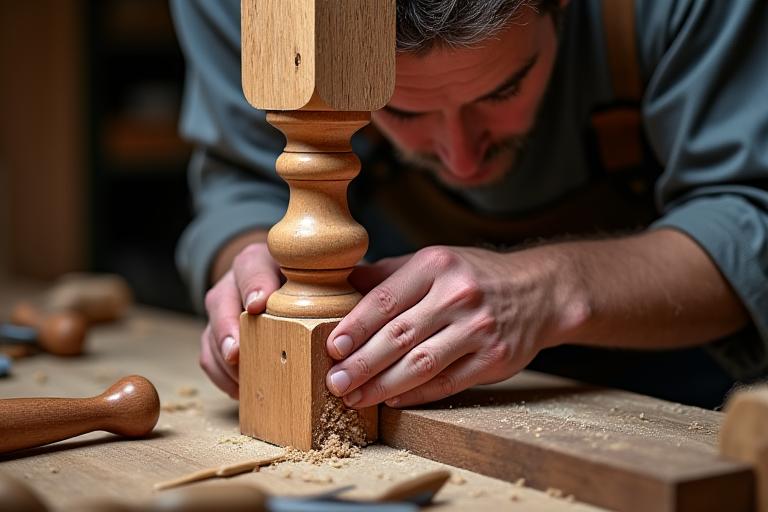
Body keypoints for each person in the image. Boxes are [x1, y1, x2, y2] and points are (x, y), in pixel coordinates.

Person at [170, 0, 768, 409]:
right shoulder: (243, 8)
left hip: (685, 382)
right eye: (401, 110)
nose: (462, 160)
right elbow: (241, 182)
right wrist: (252, 275)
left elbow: (750, 212)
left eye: (504, 90)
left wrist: (553, 289)